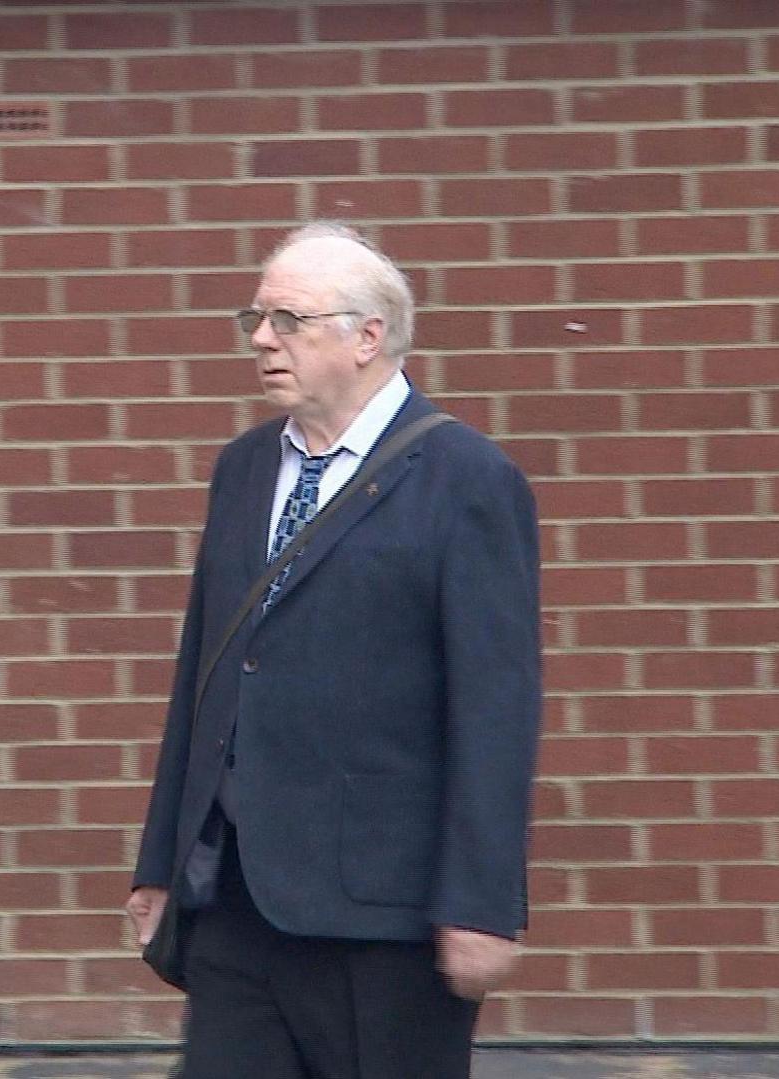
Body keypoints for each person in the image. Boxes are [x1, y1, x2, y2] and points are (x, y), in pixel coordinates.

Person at [126, 223, 543, 1079]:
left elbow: (496, 709)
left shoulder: (468, 481)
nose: (260, 339)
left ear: (367, 336)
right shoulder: (244, 469)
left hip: (384, 913)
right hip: (237, 897)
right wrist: (161, 858)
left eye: (289, 318)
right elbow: (202, 671)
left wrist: (481, 904)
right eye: (256, 315)